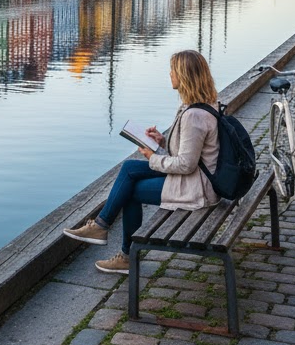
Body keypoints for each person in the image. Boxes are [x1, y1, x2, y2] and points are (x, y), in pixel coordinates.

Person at [63, 49, 220, 274]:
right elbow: (193, 149)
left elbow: (187, 164)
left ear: (184, 76)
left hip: (197, 188)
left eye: (173, 70)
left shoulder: (194, 115)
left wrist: (153, 157)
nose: (170, 74)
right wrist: (163, 142)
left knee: (132, 192)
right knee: (129, 168)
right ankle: (101, 227)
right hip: (197, 177)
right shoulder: (201, 105)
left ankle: (126, 255)